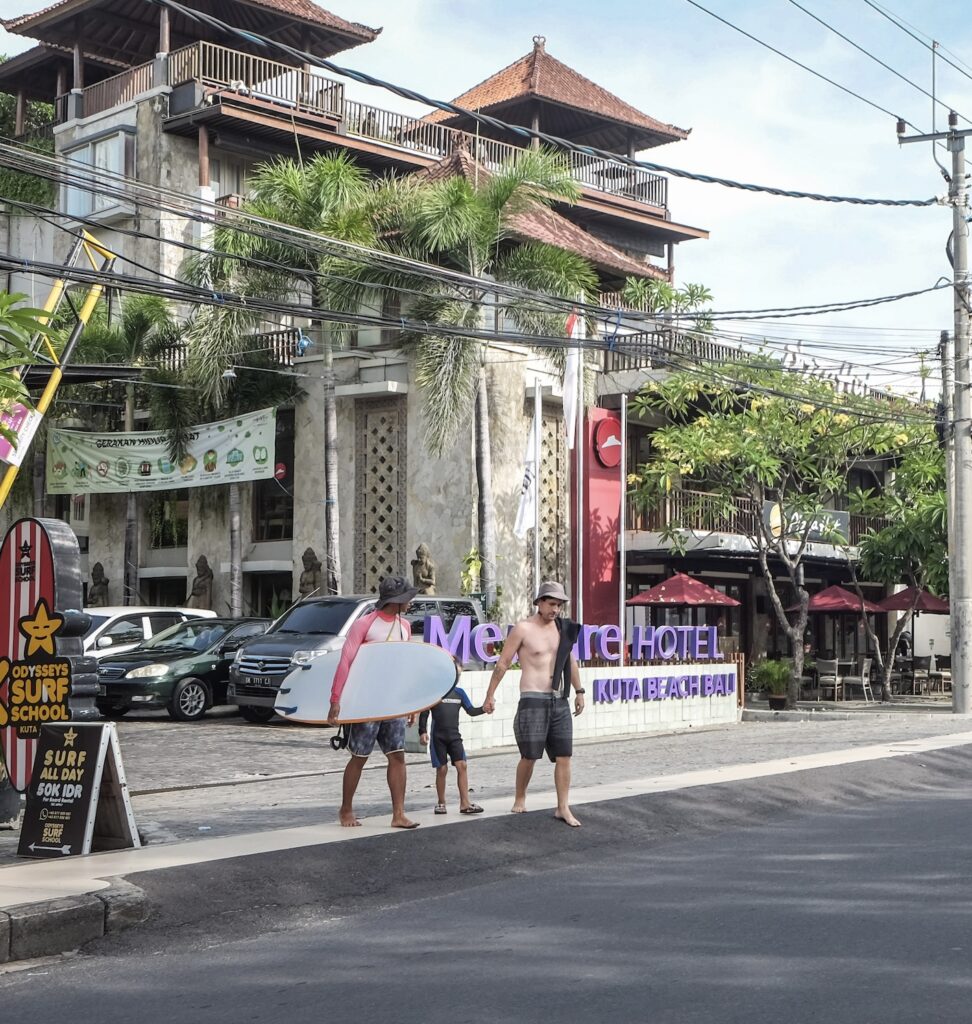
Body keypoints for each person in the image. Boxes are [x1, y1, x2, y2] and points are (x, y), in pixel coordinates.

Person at [483, 581, 584, 827]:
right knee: (529, 755)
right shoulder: (523, 629)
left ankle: (563, 807)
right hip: (532, 699)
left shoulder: (562, 629)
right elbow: (503, 663)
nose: (556, 610)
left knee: (564, 756)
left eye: (559, 605)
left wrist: (579, 691)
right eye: (551, 604)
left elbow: (569, 662)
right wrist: (489, 695)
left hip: (558, 699)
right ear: (539, 602)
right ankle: (520, 796)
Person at [327, 575, 421, 829]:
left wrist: (412, 704)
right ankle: (346, 810)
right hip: (367, 702)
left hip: (393, 702)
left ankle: (399, 814)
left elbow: (404, 666)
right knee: (359, 757)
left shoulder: (405, 627)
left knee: (397, 756)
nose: (412, 601)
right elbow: (345, 661)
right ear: (397, 600)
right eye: (408, 597)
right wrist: (336, 699)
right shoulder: (364, 624)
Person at [418, 660, 485, 815]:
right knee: (442, 769)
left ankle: (465, 804)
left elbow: (471, 711)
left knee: (462, 766)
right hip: (438, 738)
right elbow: (425, 712)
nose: (457, 677)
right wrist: (422, 731)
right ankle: (441, 803)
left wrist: (484, 709)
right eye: (456, 673)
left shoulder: (459, 693)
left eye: (459, 674)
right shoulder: (435, 693)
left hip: (454, 737)